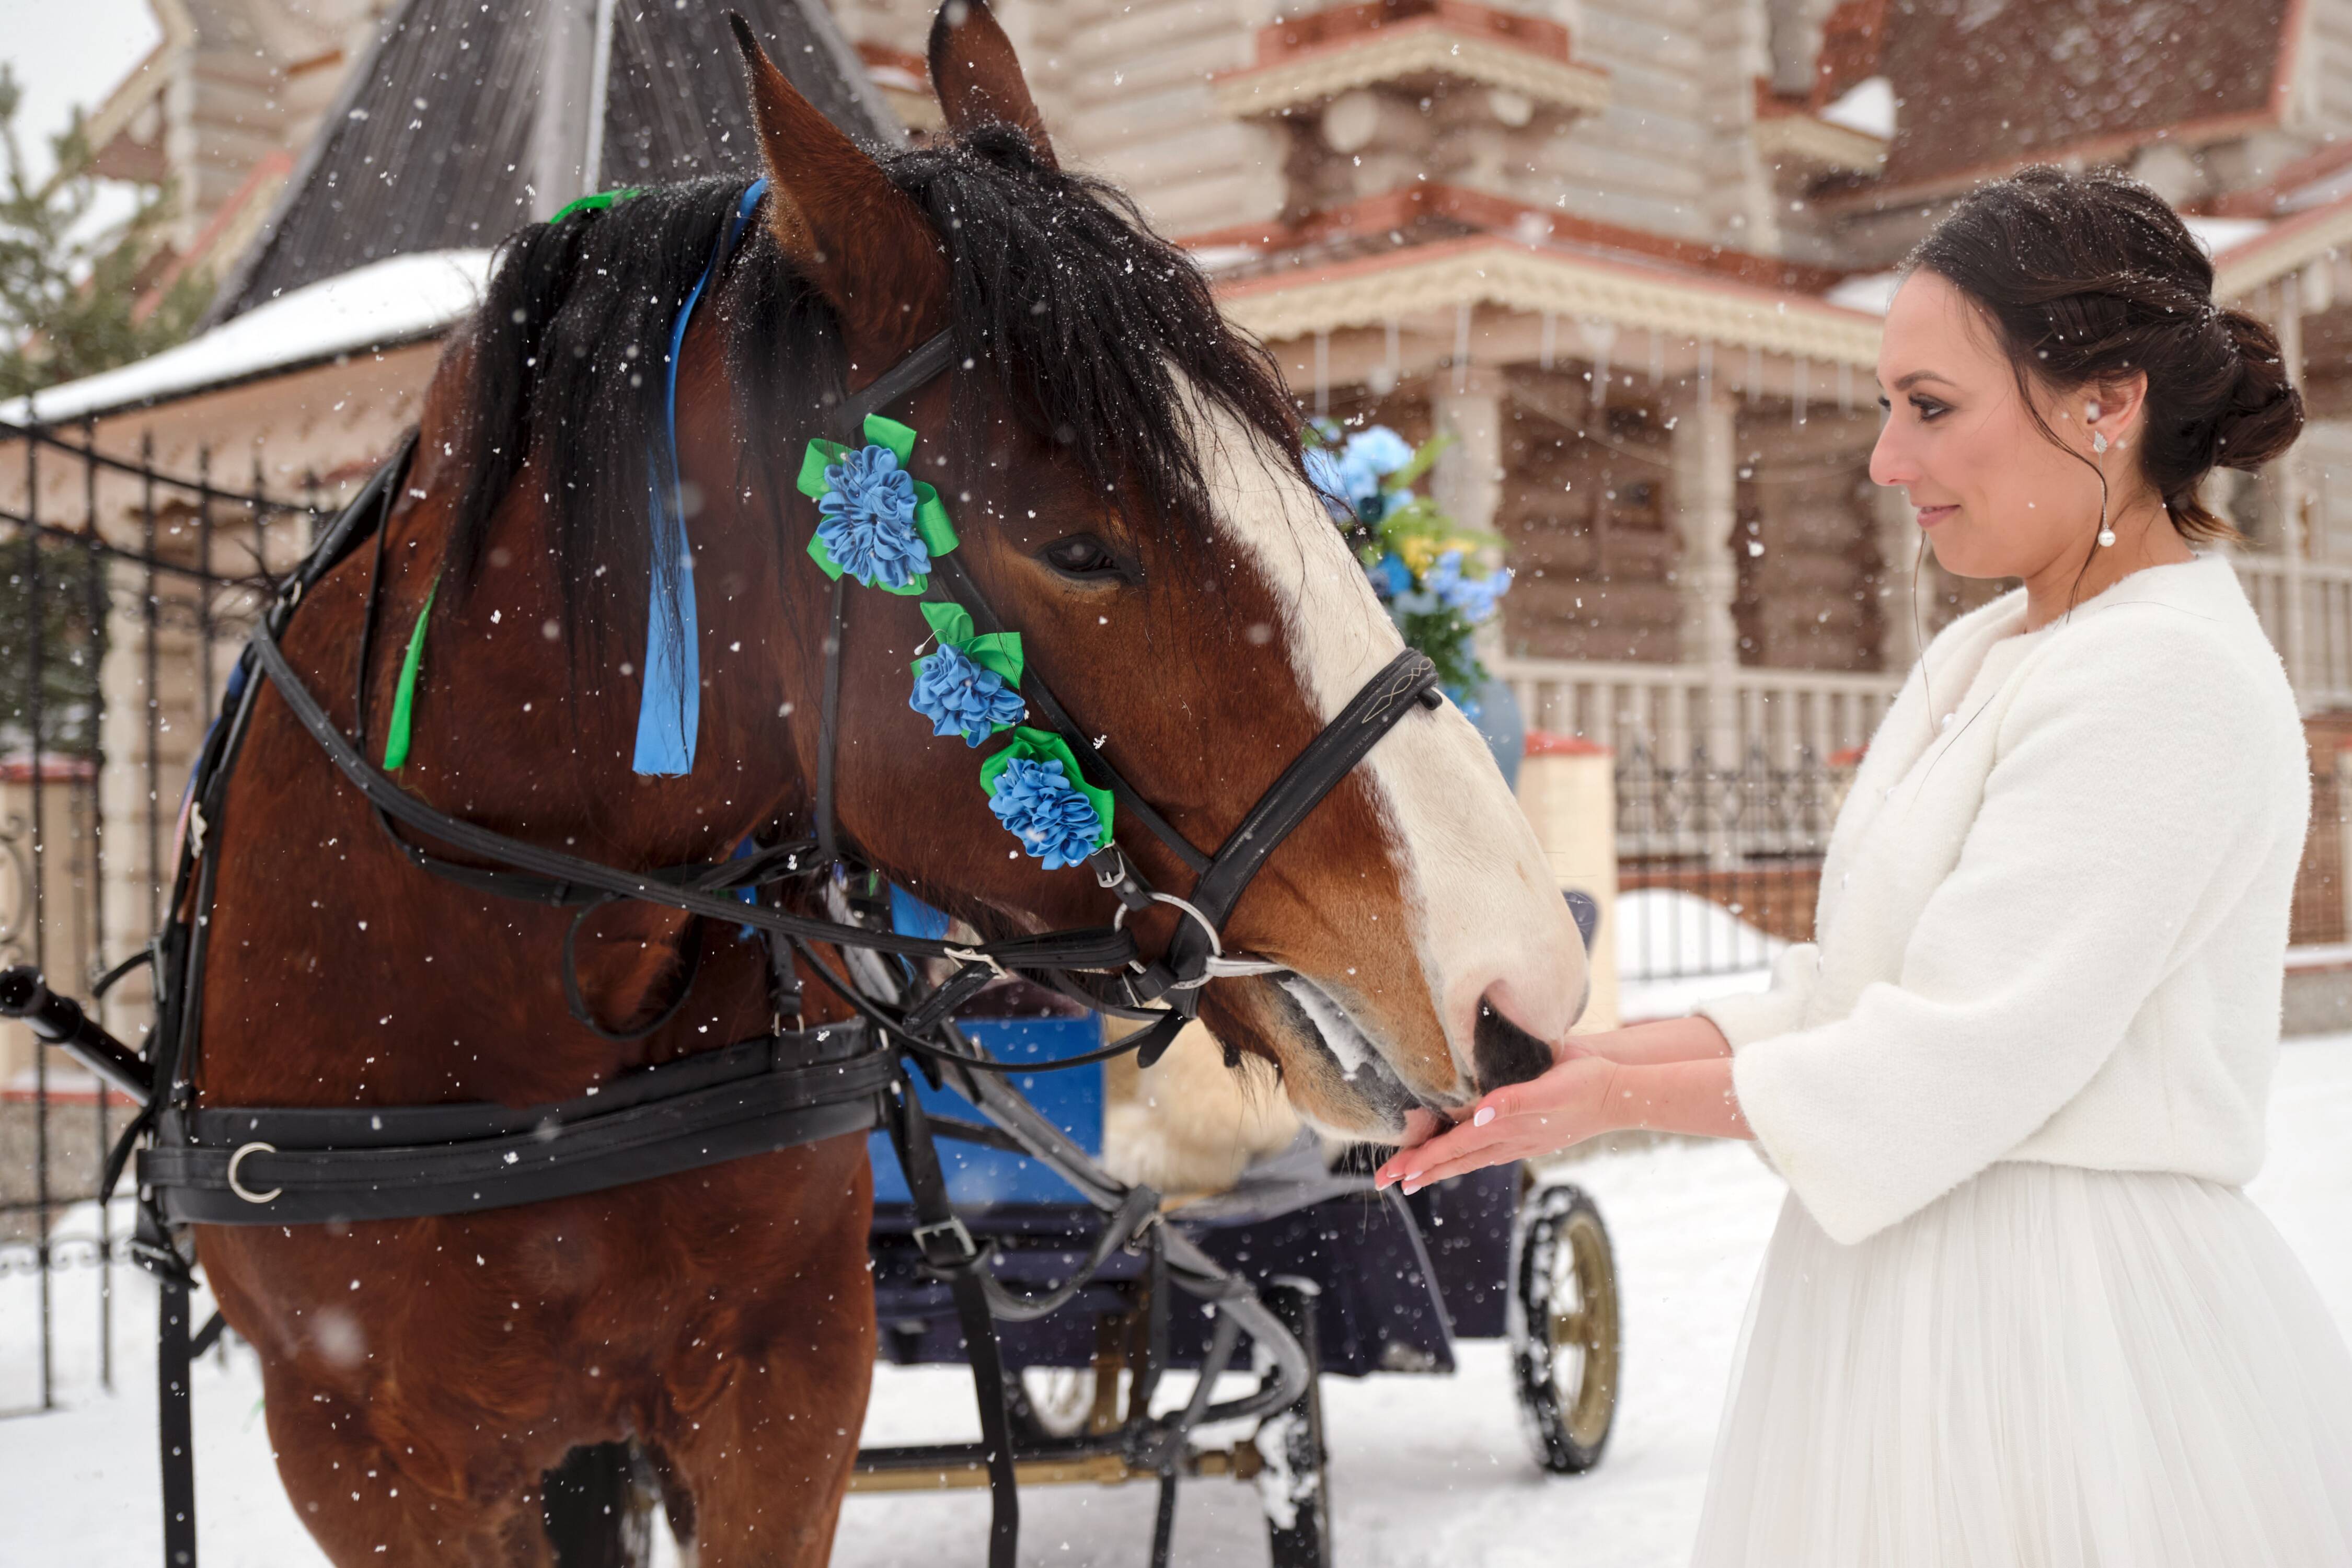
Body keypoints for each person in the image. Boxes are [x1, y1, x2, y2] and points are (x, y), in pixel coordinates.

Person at [1375, 166, 2352, 1565]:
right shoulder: (1989, 650)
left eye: (1931, 407)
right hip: (1905, 1295)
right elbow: (1857, 996)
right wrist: (1571, 1057)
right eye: (1890, 406)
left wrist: (1609, 1107)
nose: (1887, 462)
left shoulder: (2165, 675)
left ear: (2106, 400)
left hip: (2064, 1345)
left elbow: (1959, 1060)